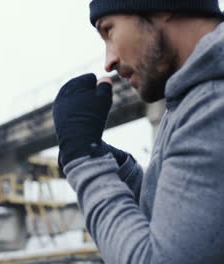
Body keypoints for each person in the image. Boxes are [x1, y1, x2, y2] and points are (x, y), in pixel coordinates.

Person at [52, 1, 224, 263]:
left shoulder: (213, 104)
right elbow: (182, 231)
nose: (108, 61)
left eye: (108, 30)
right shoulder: (191, 101)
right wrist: (119, 171)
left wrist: (85, 160)